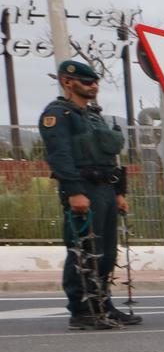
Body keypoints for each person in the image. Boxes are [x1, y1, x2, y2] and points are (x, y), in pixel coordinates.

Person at [39, 57, 140, 330]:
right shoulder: (58, 115)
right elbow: (59, 156)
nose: (93, 86)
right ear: (67, 82)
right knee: (83, 249)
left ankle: (103, 305)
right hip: (82, 189)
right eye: (86, 82)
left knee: (106, 251)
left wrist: (119, 192)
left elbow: (111, 158)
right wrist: (74, 192)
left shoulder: (94, 116)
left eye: (95, 81)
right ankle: (81, 310)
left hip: (105, 188)